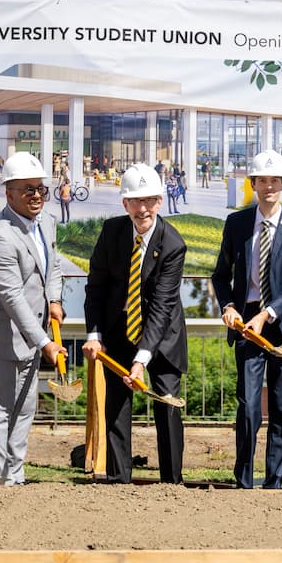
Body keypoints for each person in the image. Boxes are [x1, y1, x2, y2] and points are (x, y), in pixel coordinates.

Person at [211, 150, 282, 489]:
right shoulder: (237, 223)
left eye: (275, 181)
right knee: (249, 405)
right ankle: (244, 478)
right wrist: (228, 306)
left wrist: (267, 314)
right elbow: (221, 275)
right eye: (262, 181)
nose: (269, 187)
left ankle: (275, 478)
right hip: (246, 325)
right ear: (252, 184)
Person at [82, 164, 187, 484]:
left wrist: (142, 360)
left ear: (159, 202)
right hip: (119, 330)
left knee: (167, 404)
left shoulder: (173, 244)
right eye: (135, 201)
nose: (142, 209)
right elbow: (96, 287)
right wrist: (94, 334)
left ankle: (172, 481)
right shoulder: (111, 232)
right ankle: (118, 477)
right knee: (116, 405)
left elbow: (161, 306)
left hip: (163, 335)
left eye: (149, 201)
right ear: (124, 203)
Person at [0, 152, 66, 486]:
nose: (36, 195)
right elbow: (11, 296)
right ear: (8, 193)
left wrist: (54, 299)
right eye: (27, 189)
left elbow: (53, 265)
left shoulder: (47, 223)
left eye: (40, 188)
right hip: (1, 339)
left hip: (33, 337)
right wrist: (45, 343)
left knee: (25, 410)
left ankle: (16, 474)